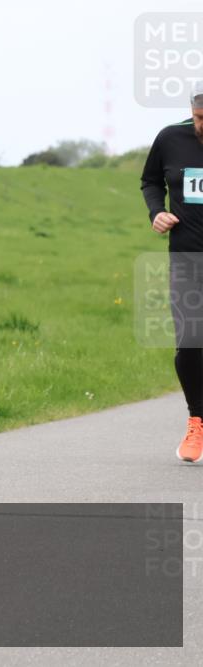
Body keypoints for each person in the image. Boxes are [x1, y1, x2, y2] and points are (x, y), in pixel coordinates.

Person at [141, 79, 203, 463]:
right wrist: (156, 212)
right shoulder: (170, 138)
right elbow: (150, 181)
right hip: (186, 258)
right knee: (190, 343)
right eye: (199, 117)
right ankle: (197, 421)